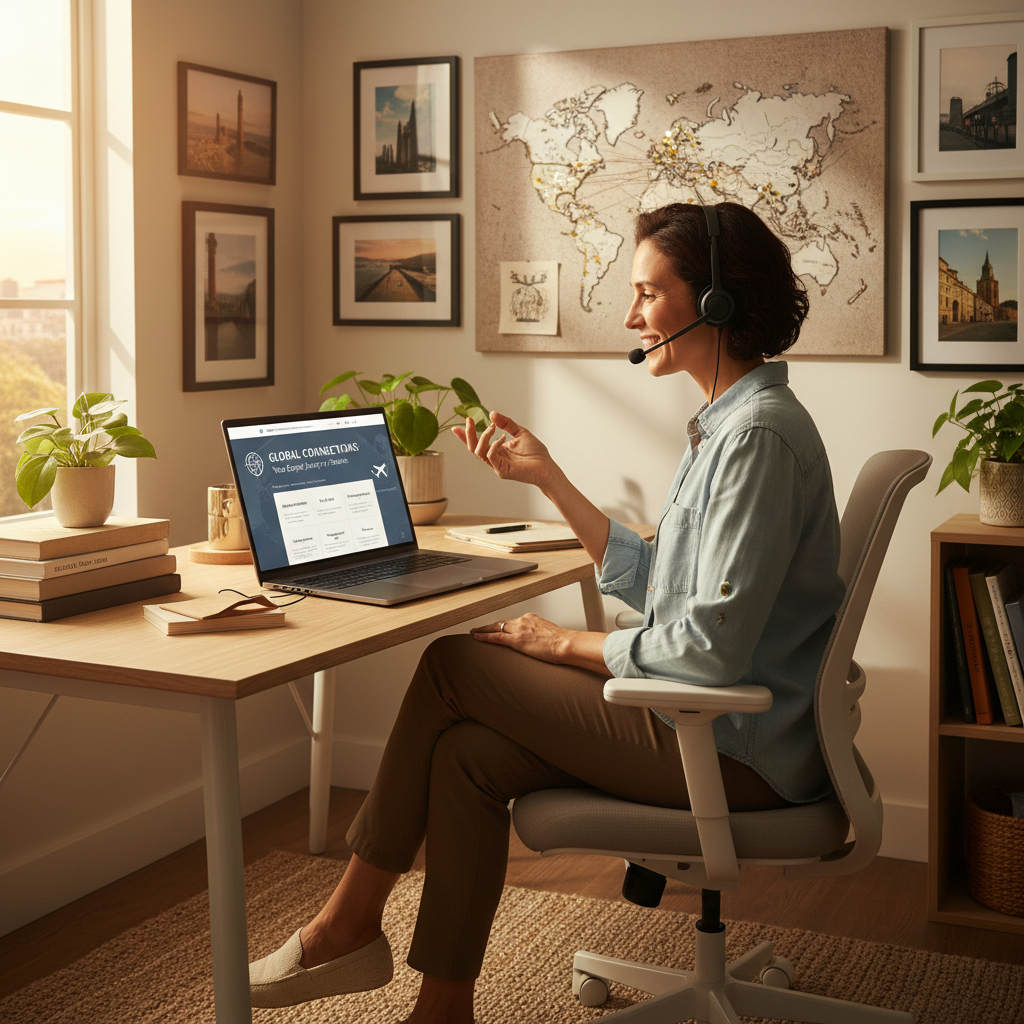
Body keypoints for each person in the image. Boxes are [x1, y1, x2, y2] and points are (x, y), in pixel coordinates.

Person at [248, 202, 845, 1024]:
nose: (630, 315)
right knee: (465, 754)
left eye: (647, 293)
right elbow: (666, 581)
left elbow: (705, 651)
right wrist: (551, 478)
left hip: (733, 747)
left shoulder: (756, 441)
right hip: (711, 726)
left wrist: (565, 642)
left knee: (453, 665)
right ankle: (442, 1008)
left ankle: (346, 923)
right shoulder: (728, 428)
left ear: (714, 302)